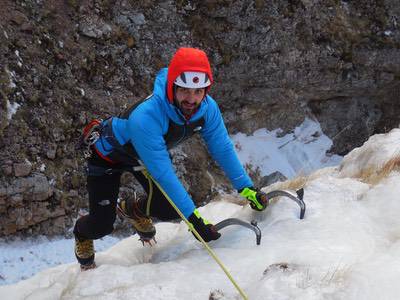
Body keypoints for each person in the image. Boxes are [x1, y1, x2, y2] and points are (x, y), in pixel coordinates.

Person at [73, 47, 269, 270]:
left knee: (169, 208)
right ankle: (81, 233)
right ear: (172, 86)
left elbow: (222, 147)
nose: (191, 99)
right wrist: (194, 221)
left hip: (140, 157)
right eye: (185, 90)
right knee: (101, 226)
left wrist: (246, 188)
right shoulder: (146, 116)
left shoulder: (207, 109)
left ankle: (132, 209)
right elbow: (163, 173)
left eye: (198, 91)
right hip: (107, 157)